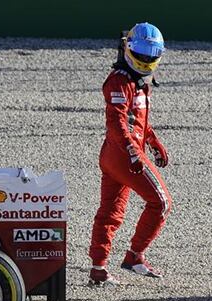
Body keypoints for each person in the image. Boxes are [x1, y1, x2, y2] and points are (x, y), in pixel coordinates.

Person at [89, 22, 172, 286]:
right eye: (142, 53)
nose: (146, 60)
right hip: (125, 155)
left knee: (110, 213)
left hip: (115, 154)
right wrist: (133, 152)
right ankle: (135, 255)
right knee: (161, 203)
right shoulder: (118, 81)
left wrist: (154, 142)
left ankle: (98, 268)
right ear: (128, 49)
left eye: (151, 55)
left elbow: (138, 121)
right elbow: (117, 122)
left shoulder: (136, 81)